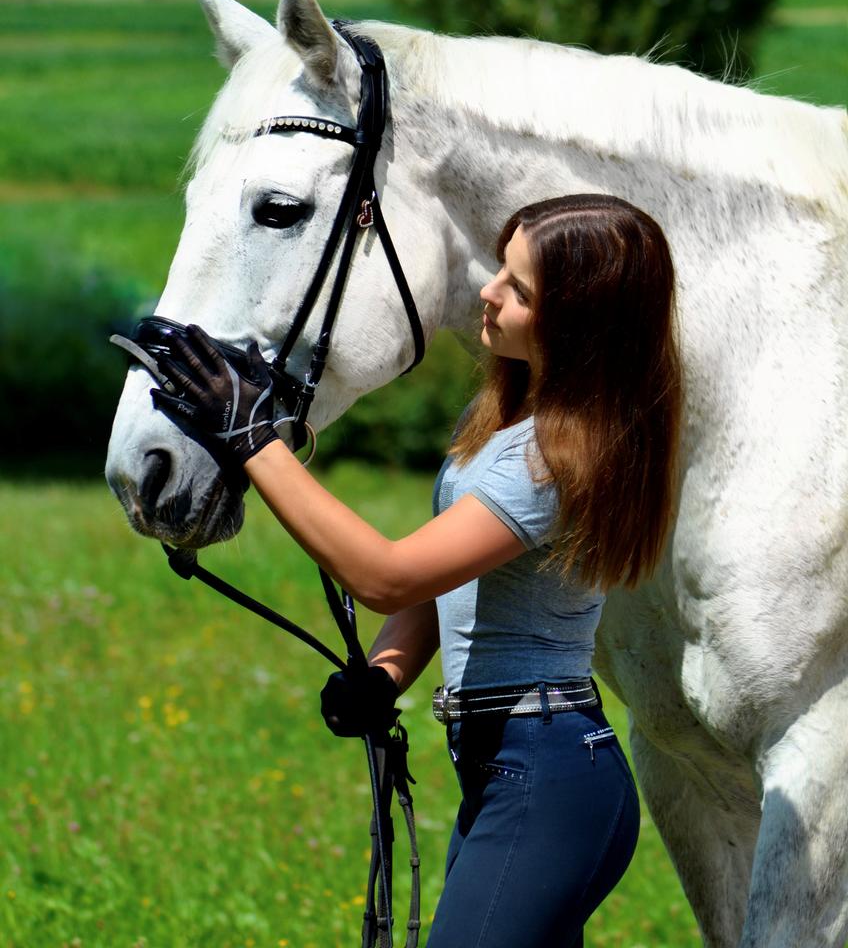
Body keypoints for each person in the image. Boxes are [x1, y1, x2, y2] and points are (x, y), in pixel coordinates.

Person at [152, 192, 683, 947]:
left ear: (580, 324)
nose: (487, 292)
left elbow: (390, 576)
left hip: (545, 775)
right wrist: (387, 674)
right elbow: (445, 582)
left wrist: (253, 440)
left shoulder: (552, 460)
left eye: (519, 288)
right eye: (501, 267)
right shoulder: (514, 428)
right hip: (515, 766)